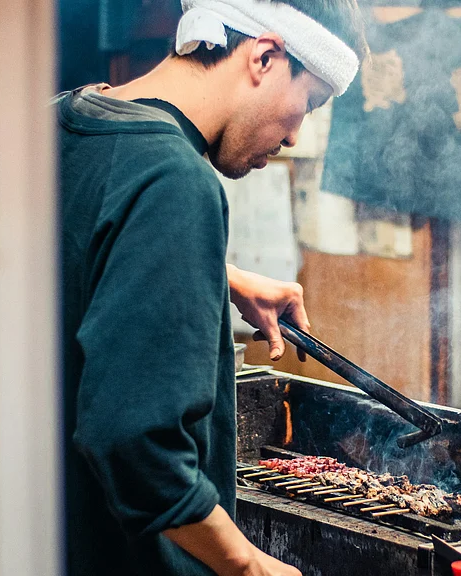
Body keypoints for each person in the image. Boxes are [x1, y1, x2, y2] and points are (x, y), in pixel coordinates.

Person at [57, 1, 368, 575]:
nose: (297, 135)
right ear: (265, 56)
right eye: (310, 103)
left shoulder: (67, 117)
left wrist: (215, 276)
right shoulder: (176, 179)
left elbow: (69, 248)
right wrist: (248, 565)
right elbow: (134, 444)